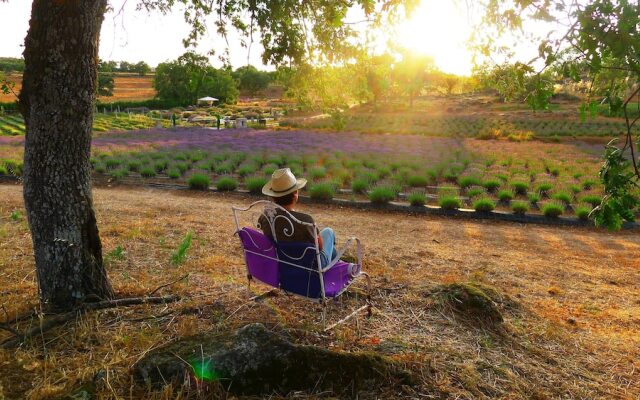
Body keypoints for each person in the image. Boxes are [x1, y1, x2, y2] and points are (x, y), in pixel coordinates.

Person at [258, 168, 338, 267]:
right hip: (311, 267)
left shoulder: (266, 216)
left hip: (281, 263)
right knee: (329, 232)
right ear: (295, 194)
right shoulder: (305, 221)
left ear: (274, 196)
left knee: (332, 250)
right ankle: (341, 267)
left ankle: (340, 263)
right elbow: (320, 247)